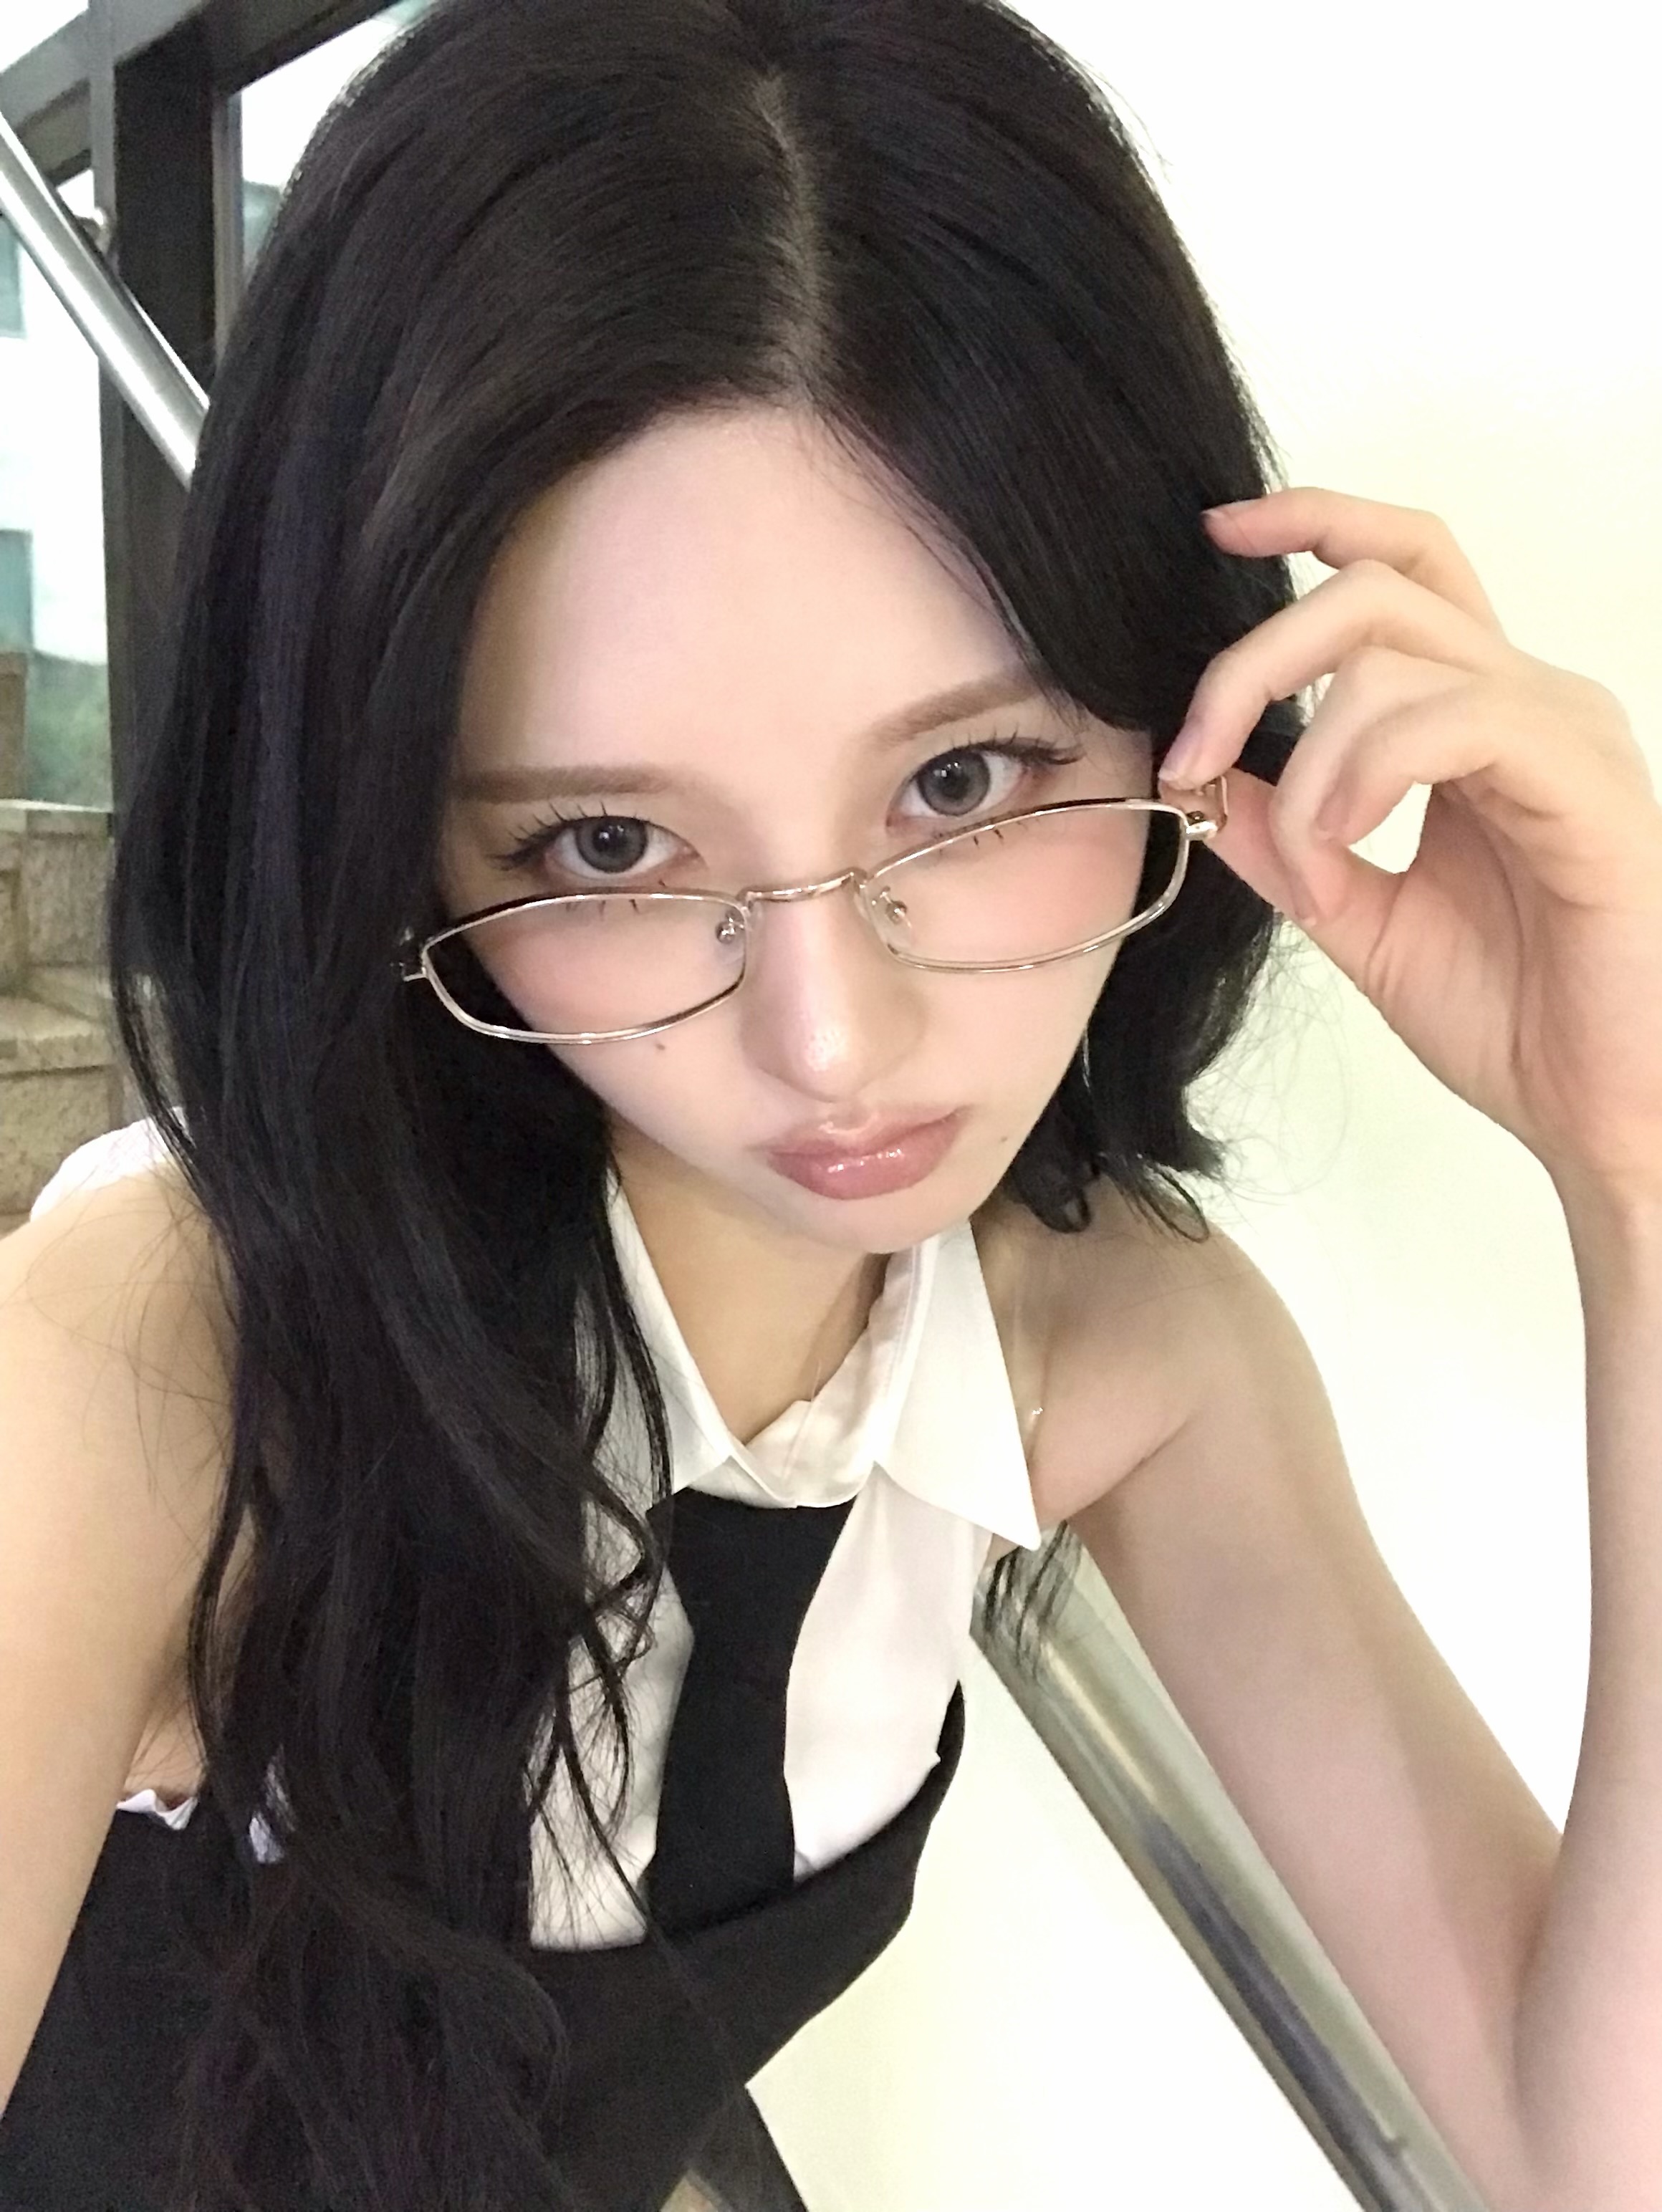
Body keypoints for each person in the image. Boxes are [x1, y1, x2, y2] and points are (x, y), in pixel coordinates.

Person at [3, 0, 1660, 2208]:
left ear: (1191, 707)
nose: (833, 1043)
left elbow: (1589, 2151)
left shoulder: (1117, 1346)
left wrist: (1638, 1168)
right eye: (608, 845)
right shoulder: (158, 1361)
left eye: (963, 782)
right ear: (397, 847)